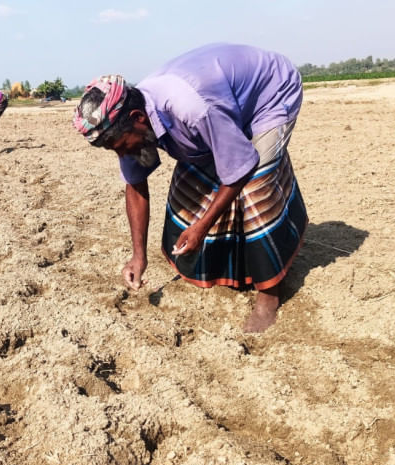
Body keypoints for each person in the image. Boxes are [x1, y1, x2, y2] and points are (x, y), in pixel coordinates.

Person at [73, 43, 307, 333]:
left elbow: (240, 169)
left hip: (270, 94)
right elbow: (135, 186)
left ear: (138, 119)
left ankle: (269, 295)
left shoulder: (191, 108)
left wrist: (202, 227)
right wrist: (138, 256)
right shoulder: (130, 124)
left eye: (120, 146)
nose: (121, 154)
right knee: (191, 183)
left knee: (255, 184)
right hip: (223, 104)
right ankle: (227, 263)